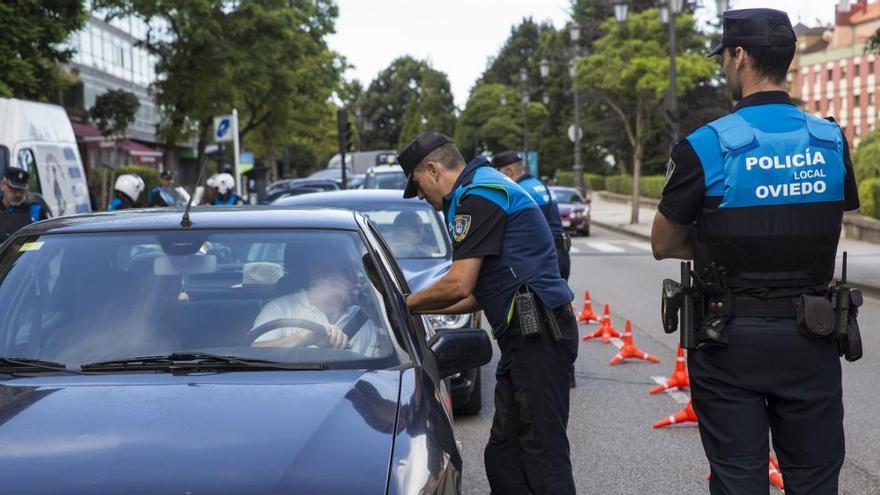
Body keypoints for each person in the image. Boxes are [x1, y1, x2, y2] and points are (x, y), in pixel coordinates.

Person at [650, 9, 858, 494]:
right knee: (814, 479)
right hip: (814, 333)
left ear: (739, 56)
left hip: (729, 340)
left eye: (724, 55)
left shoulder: (704, 147)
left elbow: (663, 242)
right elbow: (829, 221)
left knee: (739, 478)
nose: (724, 64)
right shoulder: (829, 141)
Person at [401, 132, 578, 494]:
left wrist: (402, 305)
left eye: (418, 185)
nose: (420, 196)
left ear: (433, 170)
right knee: (504, 457)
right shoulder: (480, 189)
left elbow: (459, 285)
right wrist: (418, 311)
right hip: (525, 338)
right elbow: (479, 294)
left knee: (542, 454)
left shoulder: (478, 195)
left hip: (539, 336)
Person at [251, 244, 389, 358]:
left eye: (356, 270)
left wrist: (379, 321)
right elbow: (253, 354)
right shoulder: (281, 308)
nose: (356, 279)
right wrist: (306, 337)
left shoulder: (367, 316)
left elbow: (386, 369)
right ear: (318, 272)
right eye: (346, 269)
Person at [492, 150, 571, 280]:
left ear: (509, 171)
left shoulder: (518, 191)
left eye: (497, 173)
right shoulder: (539, 184)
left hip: (542, 259)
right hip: (560, 254)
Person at [0, 167, 48, 240]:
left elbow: (47, 240)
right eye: (14, 190)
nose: (18, 195)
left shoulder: (36, 211)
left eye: (21, 190)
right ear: (3, 185)